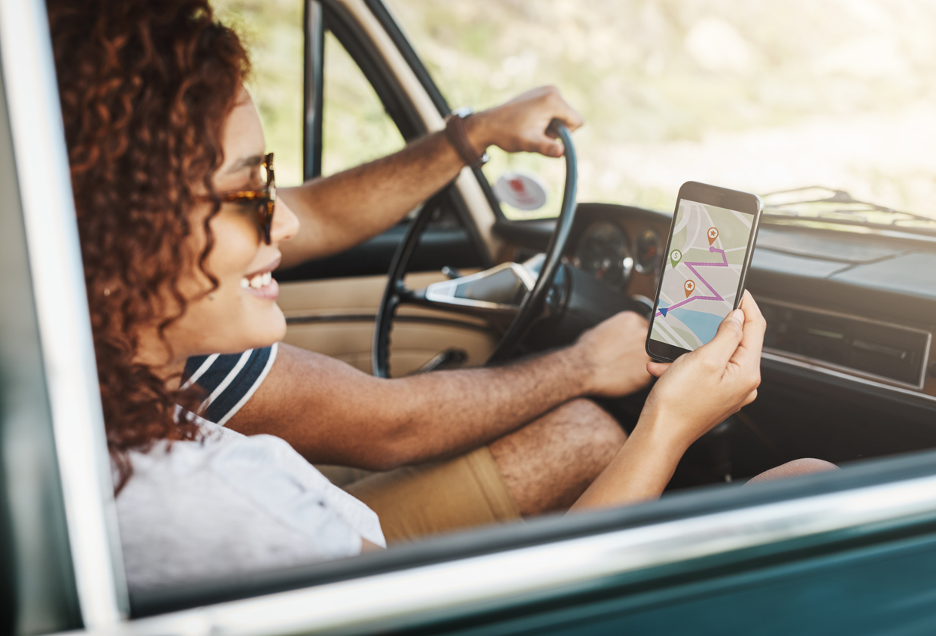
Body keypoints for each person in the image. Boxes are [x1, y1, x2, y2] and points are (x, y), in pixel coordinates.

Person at [49, 0, 832, 592]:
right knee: (808, 486)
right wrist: (664, 423)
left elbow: (317, 215)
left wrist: (472, 136)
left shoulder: (120, 400)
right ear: (118, 236)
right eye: (248, 192)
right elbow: (396, 433)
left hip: (359, 558)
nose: (286, 217)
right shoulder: (204, 506)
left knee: (597, 440)